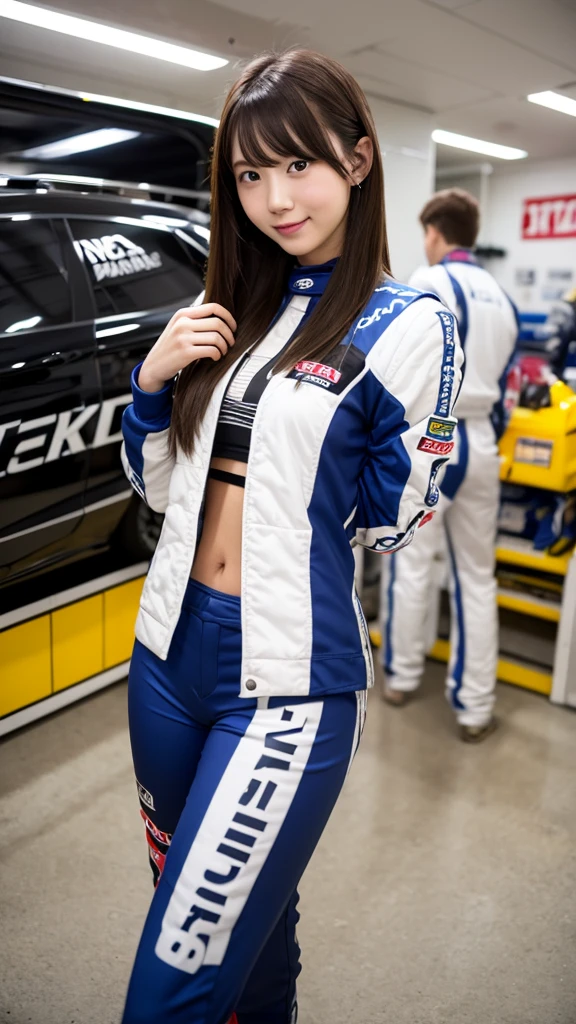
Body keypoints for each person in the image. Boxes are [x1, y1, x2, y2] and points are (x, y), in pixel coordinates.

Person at [120, 49, 463, 1024]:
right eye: (249, 173)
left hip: (288, 682)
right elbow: (156, 487)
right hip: (165, 656)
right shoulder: (226, 306)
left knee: (172, 988)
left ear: (358, 162)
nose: (275, 197)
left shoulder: (407, 323)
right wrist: (151, 383)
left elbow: (395, 521)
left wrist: (403, 434)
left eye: (299, 165)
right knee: (245, 940)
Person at [381, 187, 518, 742]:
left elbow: (404, 366)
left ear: (435, 233)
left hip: (437, 436)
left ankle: (402, 677)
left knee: (412, 566)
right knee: (476, 577)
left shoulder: (431, 280)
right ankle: (475, 708)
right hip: (483, 440)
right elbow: (508, 384)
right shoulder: (501, 297)